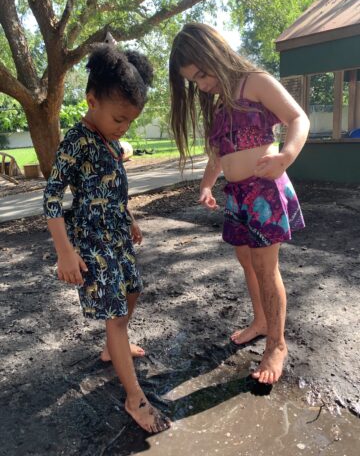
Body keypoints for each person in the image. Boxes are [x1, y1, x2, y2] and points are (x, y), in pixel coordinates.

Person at [169, 22, 309, 385]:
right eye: (193, 81)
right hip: (236, 196)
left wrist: (287, 156)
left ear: (216, 52)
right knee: (246, 259)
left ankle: (277, 345)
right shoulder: (218, 102)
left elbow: (298, 117)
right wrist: (206, 184)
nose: (201, 84)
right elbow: (218, 152)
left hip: (263, 190)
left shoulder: (255, 81)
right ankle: (261, 321)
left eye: (202, 74)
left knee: (266, 267)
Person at [44, 44, 170, 433]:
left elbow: (112, 187)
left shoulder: (112, 142)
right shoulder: (77, 140)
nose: (123, 128)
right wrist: (65, 252)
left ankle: (110, 348)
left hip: (117, 235)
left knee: (133, 291)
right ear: (91, 100)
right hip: (91, 242)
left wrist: (129, 217)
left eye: (130, 122)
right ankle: (136, 398)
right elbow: (51, 197)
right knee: (115, 316)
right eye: (119, 118)